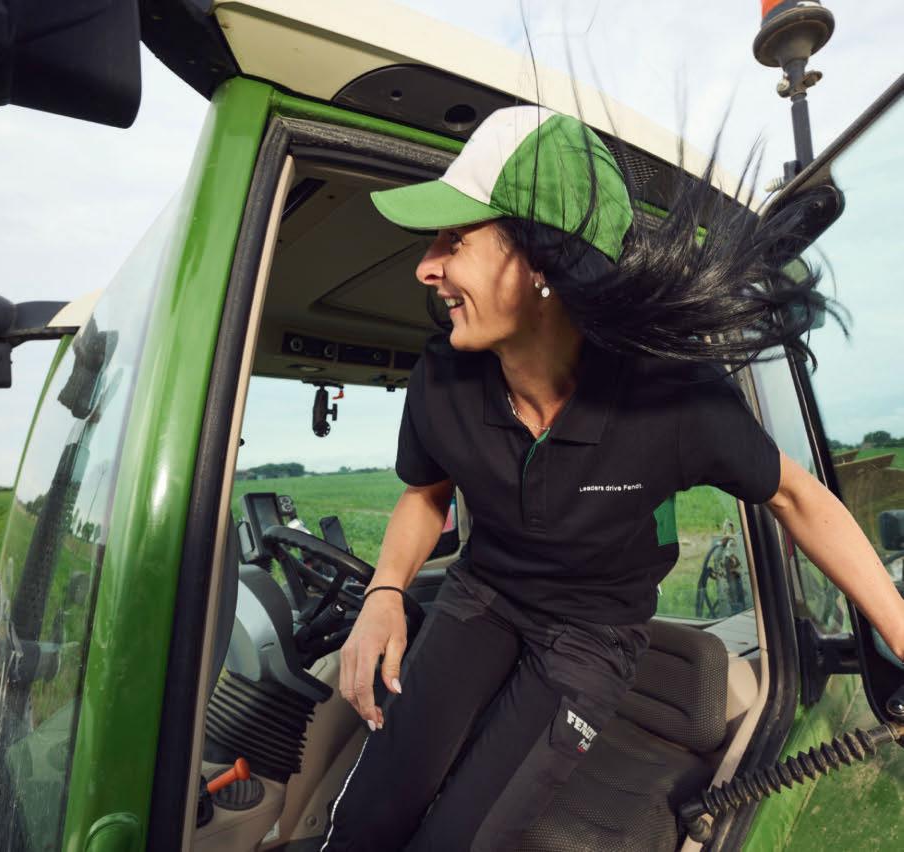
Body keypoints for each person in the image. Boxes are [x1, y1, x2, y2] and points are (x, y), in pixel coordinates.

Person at [319, 105, 904, 851]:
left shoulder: (672, 399)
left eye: (454, 241)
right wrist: (384, 593)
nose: (426, 267)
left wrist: (899, 633)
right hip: (483, 596)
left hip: (590, 637)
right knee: (368, 817)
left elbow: (798, 497)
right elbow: (426, 493)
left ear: (542, 264)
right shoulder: (443, 377)